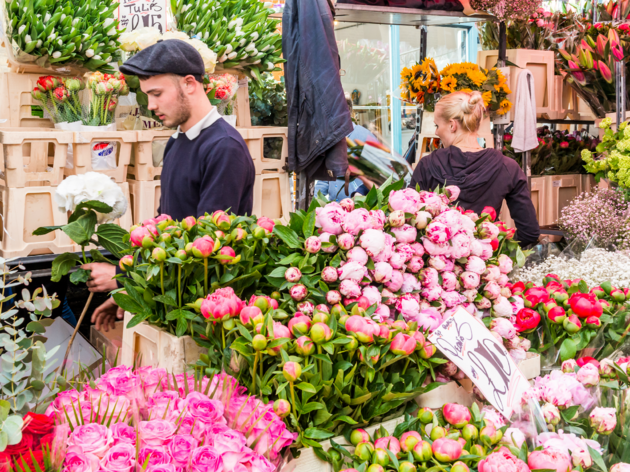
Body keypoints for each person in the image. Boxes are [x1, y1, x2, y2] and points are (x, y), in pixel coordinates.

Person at [87, 39, 256, 331]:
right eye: (147, 95)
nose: (151, 106)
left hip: (202, 312)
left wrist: (122, 275)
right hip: (174, 297)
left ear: (189, 83)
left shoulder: (224, 147)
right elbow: (165, 228)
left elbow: (205, 246)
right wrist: (131, 289)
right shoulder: (177, 141)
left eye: (156, 94)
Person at [410, 91, 539, 247]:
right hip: (488, 268)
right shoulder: (508, 167)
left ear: (452, 125)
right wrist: (496, 253)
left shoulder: (427, 165)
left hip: (438, 265)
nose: (436, 132)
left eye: (437, 125)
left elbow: (410, 222)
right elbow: (529, 232)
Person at [315, 97, 377, 201]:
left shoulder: (366, 138)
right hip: (335, 207)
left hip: (359, 207)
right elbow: (325, 177)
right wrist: (315, 201)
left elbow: (377, 177)